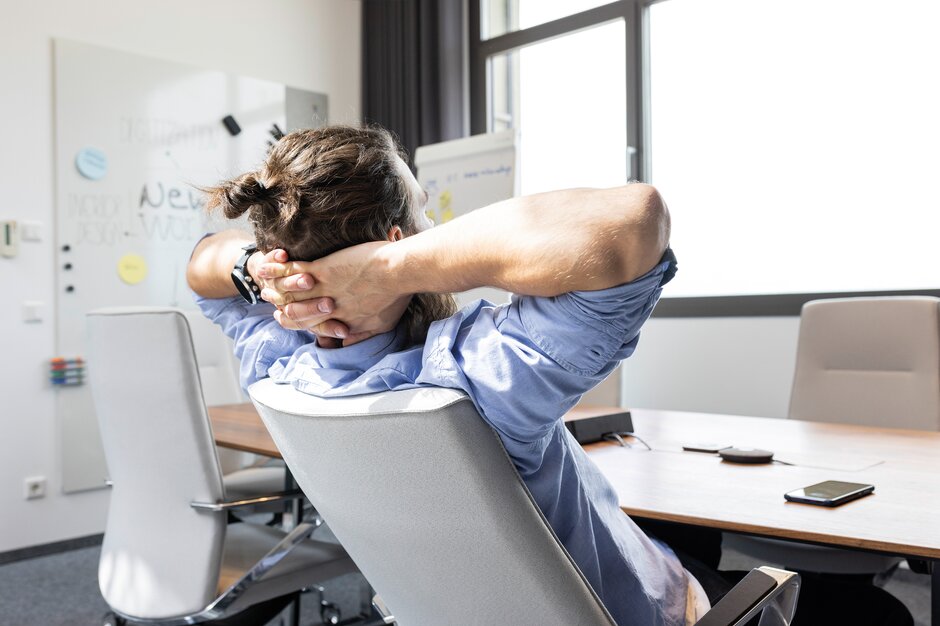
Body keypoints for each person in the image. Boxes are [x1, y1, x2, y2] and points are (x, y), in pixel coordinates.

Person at [186, 126, 912, 626]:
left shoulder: (277, 364)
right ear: (403, 234)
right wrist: (389, 269)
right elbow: (632, 219)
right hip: (635, 612)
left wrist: (266, 271)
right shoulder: (475, 377)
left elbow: (201, 267)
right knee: (880, 613)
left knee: (676, 534)